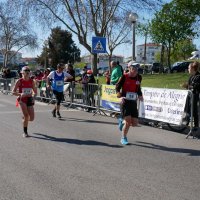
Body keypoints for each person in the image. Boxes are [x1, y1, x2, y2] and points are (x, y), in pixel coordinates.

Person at [116, 64, 143, 145]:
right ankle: (123, 138)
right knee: (128, 122)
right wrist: (119, 97)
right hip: (125, 101)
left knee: (134, 123)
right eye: (133, 69)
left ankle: (121, 120)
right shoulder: (124, 76)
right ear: (129, 69)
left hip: (133, 101)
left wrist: (140, 95)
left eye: (136, 70)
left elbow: (138, 88)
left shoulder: (139, 77)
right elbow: (117, 87)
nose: (135, 71)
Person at [12, 66, 37, 138]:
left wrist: (33, 97)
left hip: (29, 99)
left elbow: (35, 92)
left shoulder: (32, 81)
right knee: (26, 116)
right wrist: (20, 94)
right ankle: (25, 132)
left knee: (31, 118)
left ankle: (25, 120)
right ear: (22, 72)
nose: (27, 72)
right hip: (22, 100)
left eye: (28, 70)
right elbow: (13, 92)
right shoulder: (19, 81)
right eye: (25, 70)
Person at [181, 61, 200, 132]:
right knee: (188, 111)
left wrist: (188, 86)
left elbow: (196, 86)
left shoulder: (198, 77)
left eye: (189, 68)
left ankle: (196, 127)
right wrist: (186, 86)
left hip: (196, 98)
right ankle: (185, 123)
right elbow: (190, 86)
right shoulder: (191, 77)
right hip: (190, 97)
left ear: (192, 69)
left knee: (195, 112)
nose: (188, 69)